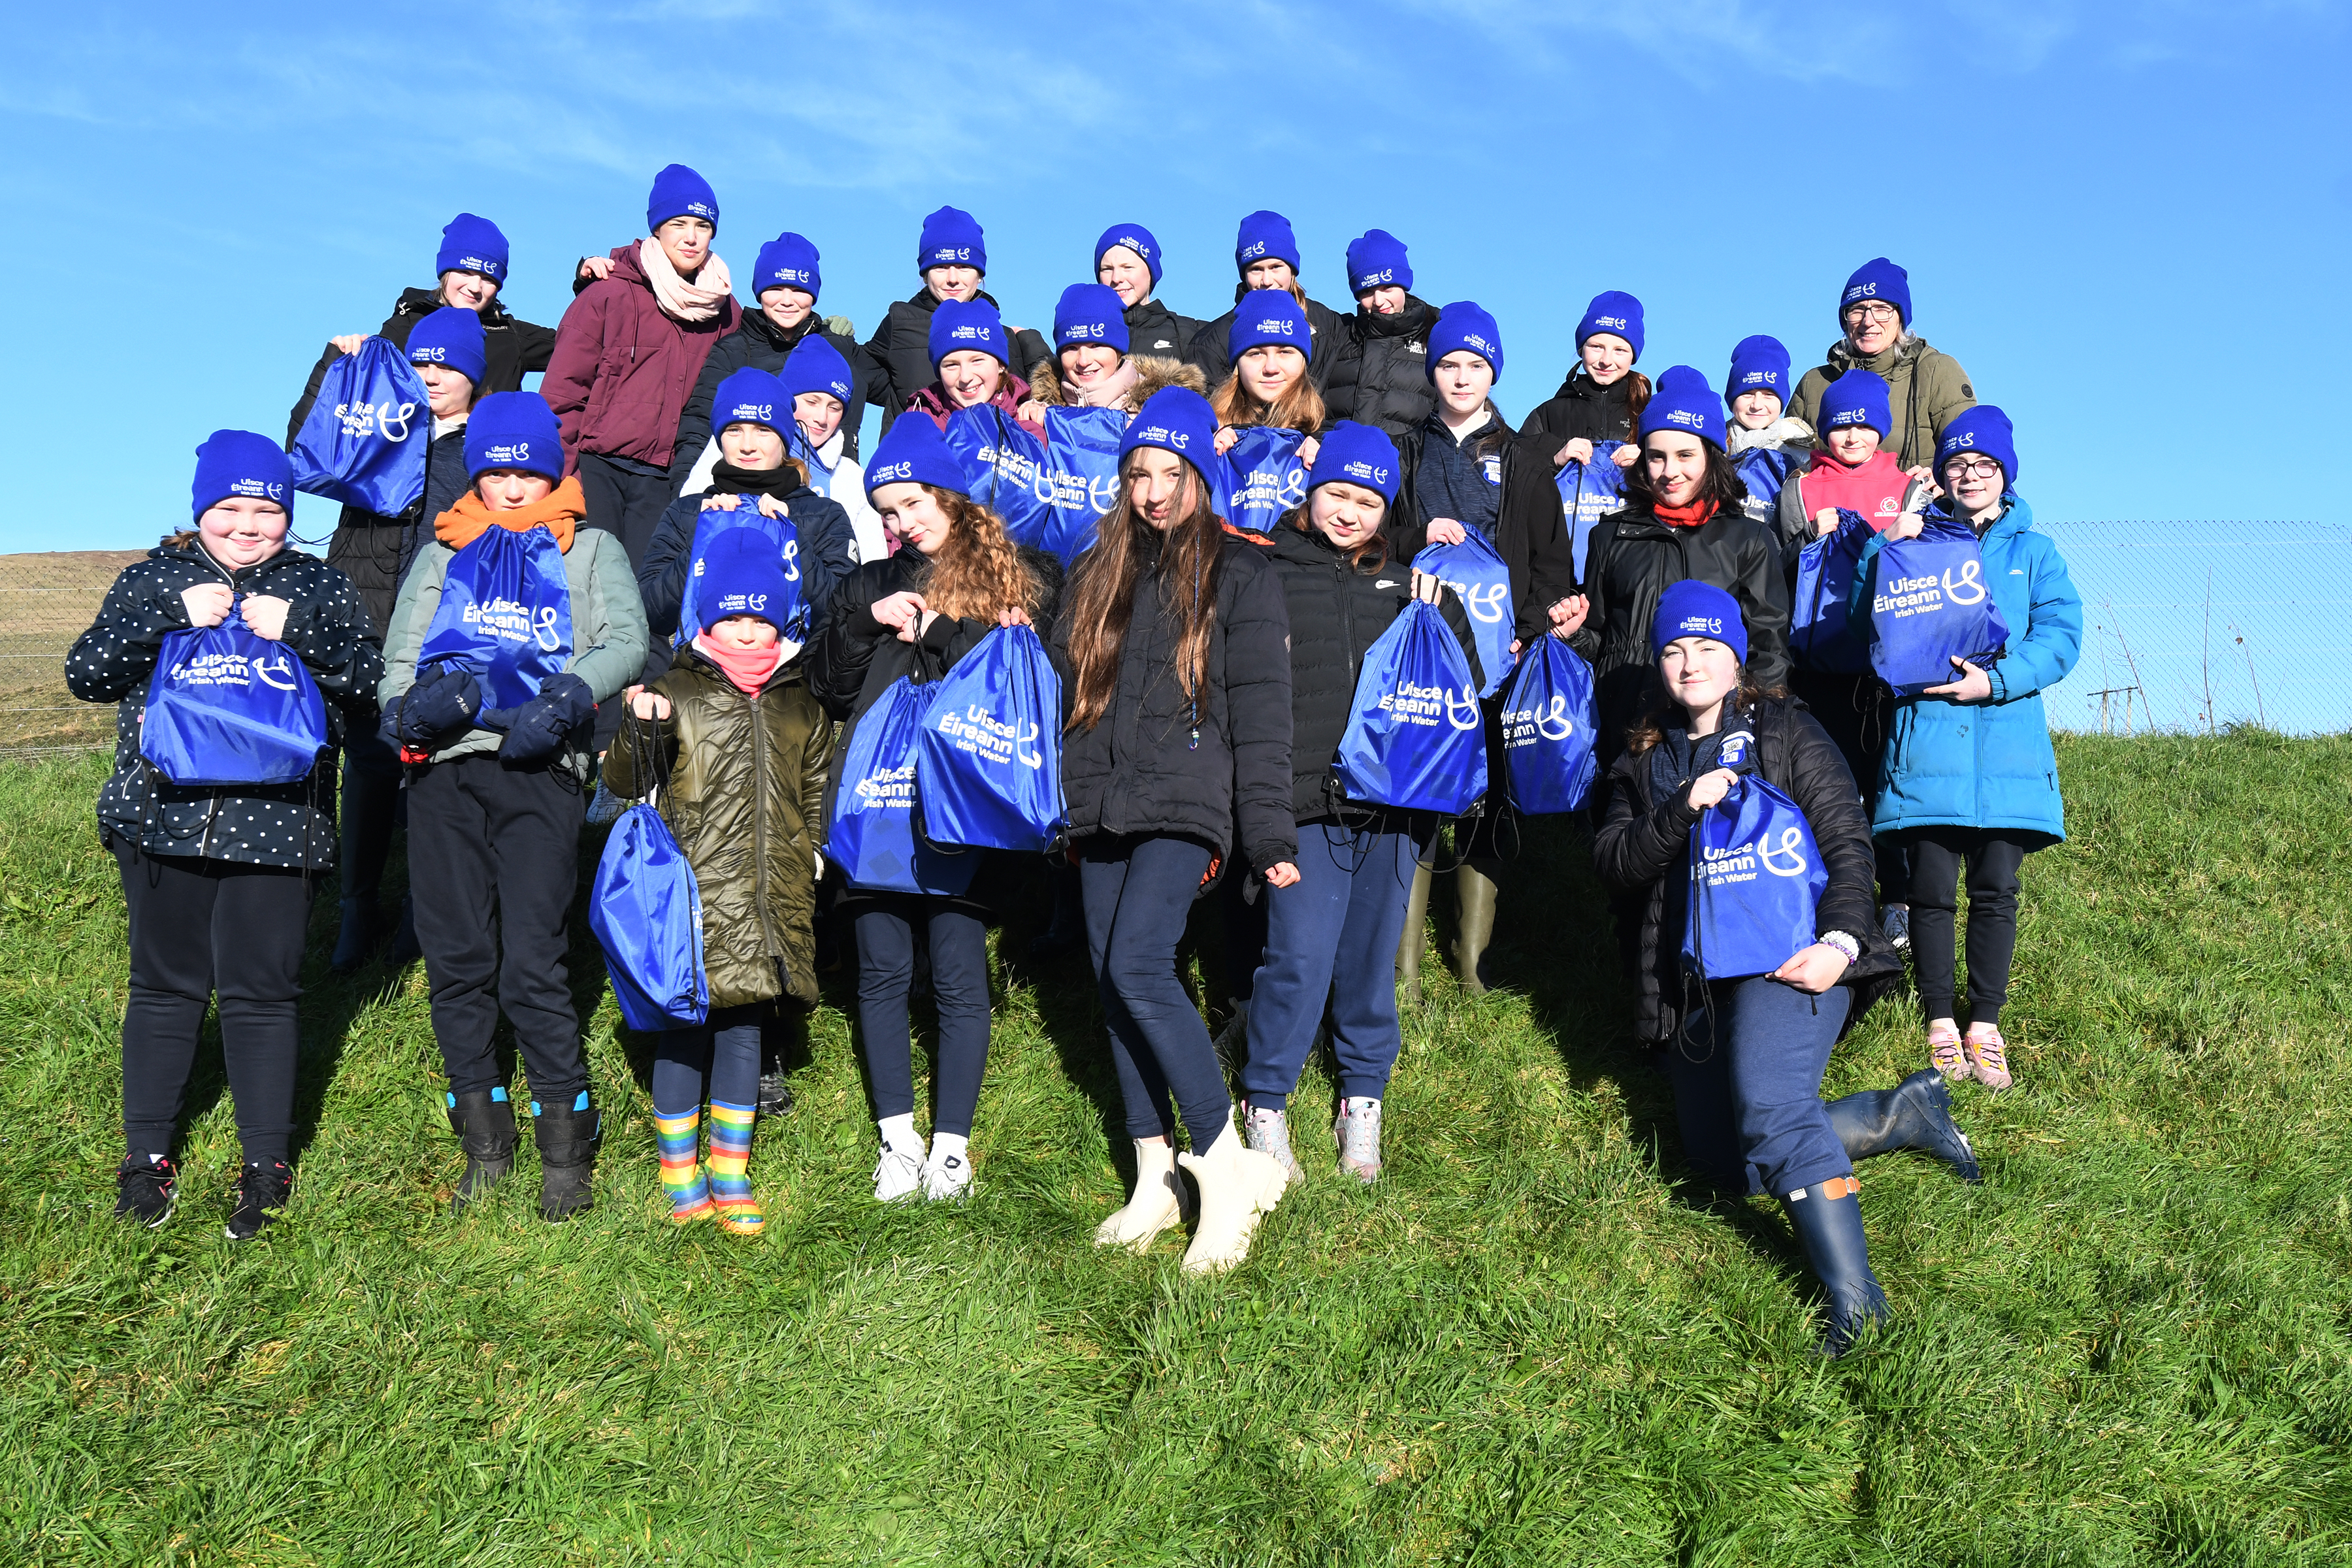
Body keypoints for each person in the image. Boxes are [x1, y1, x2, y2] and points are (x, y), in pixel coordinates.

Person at [68, 433, 380, 1237]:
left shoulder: (319, 587)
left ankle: (264, 1164)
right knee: (164, 990)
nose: (249, 526)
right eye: (231, 508)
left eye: (268, 509)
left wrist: (302, 637)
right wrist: (168, 620)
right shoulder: (153, 579)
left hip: (281, 828)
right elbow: (88, 673)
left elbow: (372, 690)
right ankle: (146, 1161)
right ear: (202, 509)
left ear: (290, 514)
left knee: (263, 995)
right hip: (161, 818)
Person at [1592, 581, 1903, 1355]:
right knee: (1722, 1162)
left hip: (1793, 959)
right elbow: (1615, 865)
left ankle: (1860, 1309)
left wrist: (1839, 945)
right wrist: (1682, 808)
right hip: (1696, 983)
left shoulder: (1786, 731)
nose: (1689, 663)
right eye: (1673, 649)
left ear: (1737, 658)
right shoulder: (1642, 756)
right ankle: (1907, 1114)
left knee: (1772, 1107)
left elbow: (1847, 843)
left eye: (1706, 647)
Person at [378, 393, 649, 1221]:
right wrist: (406, 712)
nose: (509, 484)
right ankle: (483, 1137)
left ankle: (565, 1144)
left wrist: (570, 696)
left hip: (540, 767)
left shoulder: (591, 546)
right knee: (458, 959)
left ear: (551, 469)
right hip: (446, 771)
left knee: (532, 961)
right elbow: (402, 654)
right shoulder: (440, 551)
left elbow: (627, 640)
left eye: (526, 467)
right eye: (494, 469)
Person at [1056, 385, 1296, 1274]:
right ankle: (1154, 1175)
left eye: (1171, 472)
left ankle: (1225, 1165)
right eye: (1137, 473)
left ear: (1202, 473)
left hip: (1189, 800)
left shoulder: (1240, 570)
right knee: (1111, 985)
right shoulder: (1094, 573)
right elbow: (1059, 687)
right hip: (1099, 802)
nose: (1153, 491)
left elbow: (1266, 714)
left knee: (1138, 964)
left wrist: (1269, 836)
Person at [808, 414, 1062, 1201]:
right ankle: (898, 1142)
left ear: (951, 497)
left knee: (958, 977)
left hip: (961, 807)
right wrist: (861, 623)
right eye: (885, 510)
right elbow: (828, 685)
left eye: (912, 503)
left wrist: (942, 628)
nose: (900, 523)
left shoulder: (1018, 577)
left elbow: (1020, 682)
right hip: (878, 808)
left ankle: (952, 1149)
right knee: (881, 973)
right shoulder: (868, 582)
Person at [1244, 423, 1482, 1183]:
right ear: (1309, 494)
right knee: (1299, 956)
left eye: (1369, 501)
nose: (1350, 513)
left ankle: (1362, 1099)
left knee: (1370, 964)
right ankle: (1267, 1100)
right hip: (1302, 799)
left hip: (1390, 807)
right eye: (1337, 495)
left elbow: (1460, 688)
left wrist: (1439, 616)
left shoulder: (1410, 584)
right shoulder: (1265, 573)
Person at [601, 530, 834, 1234]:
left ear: (781, 619)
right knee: (684, 1032)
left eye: (759, 616)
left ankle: (731, 1171)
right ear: (705, 620)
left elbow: (818, 781)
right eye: (730, 616)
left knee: (745, 1033)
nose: (745, 628)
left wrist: (815, 846)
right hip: (693, 899)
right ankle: (680, 1174)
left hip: (773, 898)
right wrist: (641, 729)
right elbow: (622, 780)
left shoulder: (801, 702)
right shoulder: (676, 689)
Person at [1854, 406, 2082, 1091]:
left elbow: (2062, 637)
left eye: (1985, 465)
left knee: (1996, 890)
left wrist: (1998, 680)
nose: (1972, 475)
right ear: (1942, 475)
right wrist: (1891, 539)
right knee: (1928, 892)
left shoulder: (2037, 552)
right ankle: (1937, 1021)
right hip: (1928, 742)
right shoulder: (1918, 538)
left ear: (2004, 474)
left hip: (2007, 747)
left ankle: (1985, 1020)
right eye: (1959, 465)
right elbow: (1871, 614)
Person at [1384, 302, 1558, 996]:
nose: (1461, 377)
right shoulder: (1403, 451)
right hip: (1421, 651)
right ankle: (1404, 974)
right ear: (1432, 372)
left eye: (1475, 365)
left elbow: (1551, 564)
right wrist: (1419, 532)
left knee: (1487, 803)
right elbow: (1374, 538)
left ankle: (1473, 965)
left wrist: (1534, 623)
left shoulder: (1522, 458)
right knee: (1415, 796)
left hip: (1496, 660)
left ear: (1494, 373)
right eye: (1449, 364)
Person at [312, 304, 489, 972]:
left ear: (474, 375)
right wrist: (333, 366)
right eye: (421, 361)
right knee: (367, 766)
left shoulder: (483, 449)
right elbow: (310, 440)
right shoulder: (377, 427)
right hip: (363, 615)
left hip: (441, 627)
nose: (433, 374)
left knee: (433, 776)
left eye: (448, 363)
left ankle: (421, 910)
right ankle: (357, 908)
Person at [1563, 366, 1791, 766]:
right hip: (1623, 725)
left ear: (1713, 457)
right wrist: (1571, 635)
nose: (1670, 472)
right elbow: (1598, 637)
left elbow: (1767, 649)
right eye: (1656, 457)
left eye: (1686, 455)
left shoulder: (1749, 540)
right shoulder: (1610, 536)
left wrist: (1754, 726)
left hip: (1714, 732)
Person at [1776, 367, 1930, 937]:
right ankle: (1835, 895)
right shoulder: (1801, 485)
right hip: (1819, 665)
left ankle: (1898, 899)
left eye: (1866, 426)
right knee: (1830, 786)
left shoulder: (1909, 484)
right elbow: (1777, 568)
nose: (1853, 437)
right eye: (1841, 427)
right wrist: (1805, 540)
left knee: (1889, 782)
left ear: (1883, 430)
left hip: (1890, 667)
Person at [542, 164, 742, 575]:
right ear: (657, 229)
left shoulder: (726, 311)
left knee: (647, 604)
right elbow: (563, 392)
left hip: (668, 478)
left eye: (703, 225)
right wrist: (561, 477)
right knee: (589, 590)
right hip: (596, 470)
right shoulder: (609, 293)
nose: (691, 237)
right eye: (678, 223)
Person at [286, 213, 559, 441]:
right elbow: (334, 425)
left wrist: (593, 287)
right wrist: (338, 363)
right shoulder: (405, 324)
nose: (475, 288)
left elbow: (586, 343)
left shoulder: (511, 337)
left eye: (488, 278)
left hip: (478, 486)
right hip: (397, 481)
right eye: (466, 272)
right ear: (445, 272)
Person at [637, 367, 858, 648]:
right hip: (701, 679)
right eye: (734, 430)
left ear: (785, 440)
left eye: (763, 431)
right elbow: (651, 613)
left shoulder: (825, 515)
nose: (747, 446)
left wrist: (791, 537)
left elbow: (844, 615)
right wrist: (705, 536)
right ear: (720, 439)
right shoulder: (687, 512)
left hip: (794, 682)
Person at [666, 231, 878, 487]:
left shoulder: (839, 347)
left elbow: (904, 379)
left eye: (799, 289)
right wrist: (686, 499)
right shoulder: (733, 353)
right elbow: (699, 428)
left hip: (833, 493)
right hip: (751, 494)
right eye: (776, 288)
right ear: (759, 292)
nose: (787, 301)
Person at [861, 206, 1049, 438]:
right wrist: (829, 337)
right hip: (916, 464)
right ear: (925, 274)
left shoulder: (1004, 338)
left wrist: (1032, 344)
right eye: (940, 267)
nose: (952, 279)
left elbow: (1033, 400)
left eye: (963, 267)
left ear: (979, 274)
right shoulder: (900, 324)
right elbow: (853, 378)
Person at [1788, 258, 1976, 472]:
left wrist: (1943, 475)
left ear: (1900, 318)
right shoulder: (1814, 383)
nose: (1868, 321)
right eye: (1857, 310)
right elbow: (1788, 463)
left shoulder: (1936, 372)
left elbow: (1971, 449)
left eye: (1881, 309)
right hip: (1827, 504)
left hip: (1914, 504)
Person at [1183, 210, 1346, 388]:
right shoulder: (1213, 342)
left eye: (1276, 267)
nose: (1267, 281)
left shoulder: (1328, 324)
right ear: (1244, 274)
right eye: (1256, 269)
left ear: (1292, 270)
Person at [1020, 282, 1205, 419]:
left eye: (1096, 346)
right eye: (1071, 348)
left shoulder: (1162, 409)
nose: (1083, 361)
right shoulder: (1041, 414)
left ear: (1118, 351)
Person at [1320, 229, 1440, 440]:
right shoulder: (1339, 336)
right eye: (1367, 291)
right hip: (1337, 467)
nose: (1378, 301)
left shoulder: (1436, 335)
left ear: (1404, 285)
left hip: (1404, 471)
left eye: (1387, 288)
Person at [1519, 290, 1650, 473]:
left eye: (1620, 350)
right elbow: (1514, 475)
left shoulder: (1650, 414)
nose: (1606, 360)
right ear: (1582, 350)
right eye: (1597, 347)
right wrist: (1555, 461)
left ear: (1633, 357)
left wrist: (1649, 460)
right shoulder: (1547, 415)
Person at [1211, 290, 1328, 467]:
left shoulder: (1325, 441)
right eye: (1256, 354)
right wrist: (1206, 455)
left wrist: (1327, 467)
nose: (1271, 368)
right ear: (1238, 365)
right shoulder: (1208, 432)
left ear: (1303, 361)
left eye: (1285, 352)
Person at [902, 298, 1045, 439]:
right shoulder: (919, 424)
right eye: (952, 365)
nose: (965, 377)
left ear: (1001, 365)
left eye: (977, 361)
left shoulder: (1028, 421)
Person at [1723, 335, 1813, 529]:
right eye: (1747, 394)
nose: (1757, 405)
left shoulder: (1798, 446)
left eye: (1769, 395)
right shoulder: (1715, 442)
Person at [1091, 223, 1203, 358]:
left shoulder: (1190, 334)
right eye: (1107, 269)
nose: (1116, 278)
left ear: (1151, 272)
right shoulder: (1087, 334)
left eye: (1127, 267)